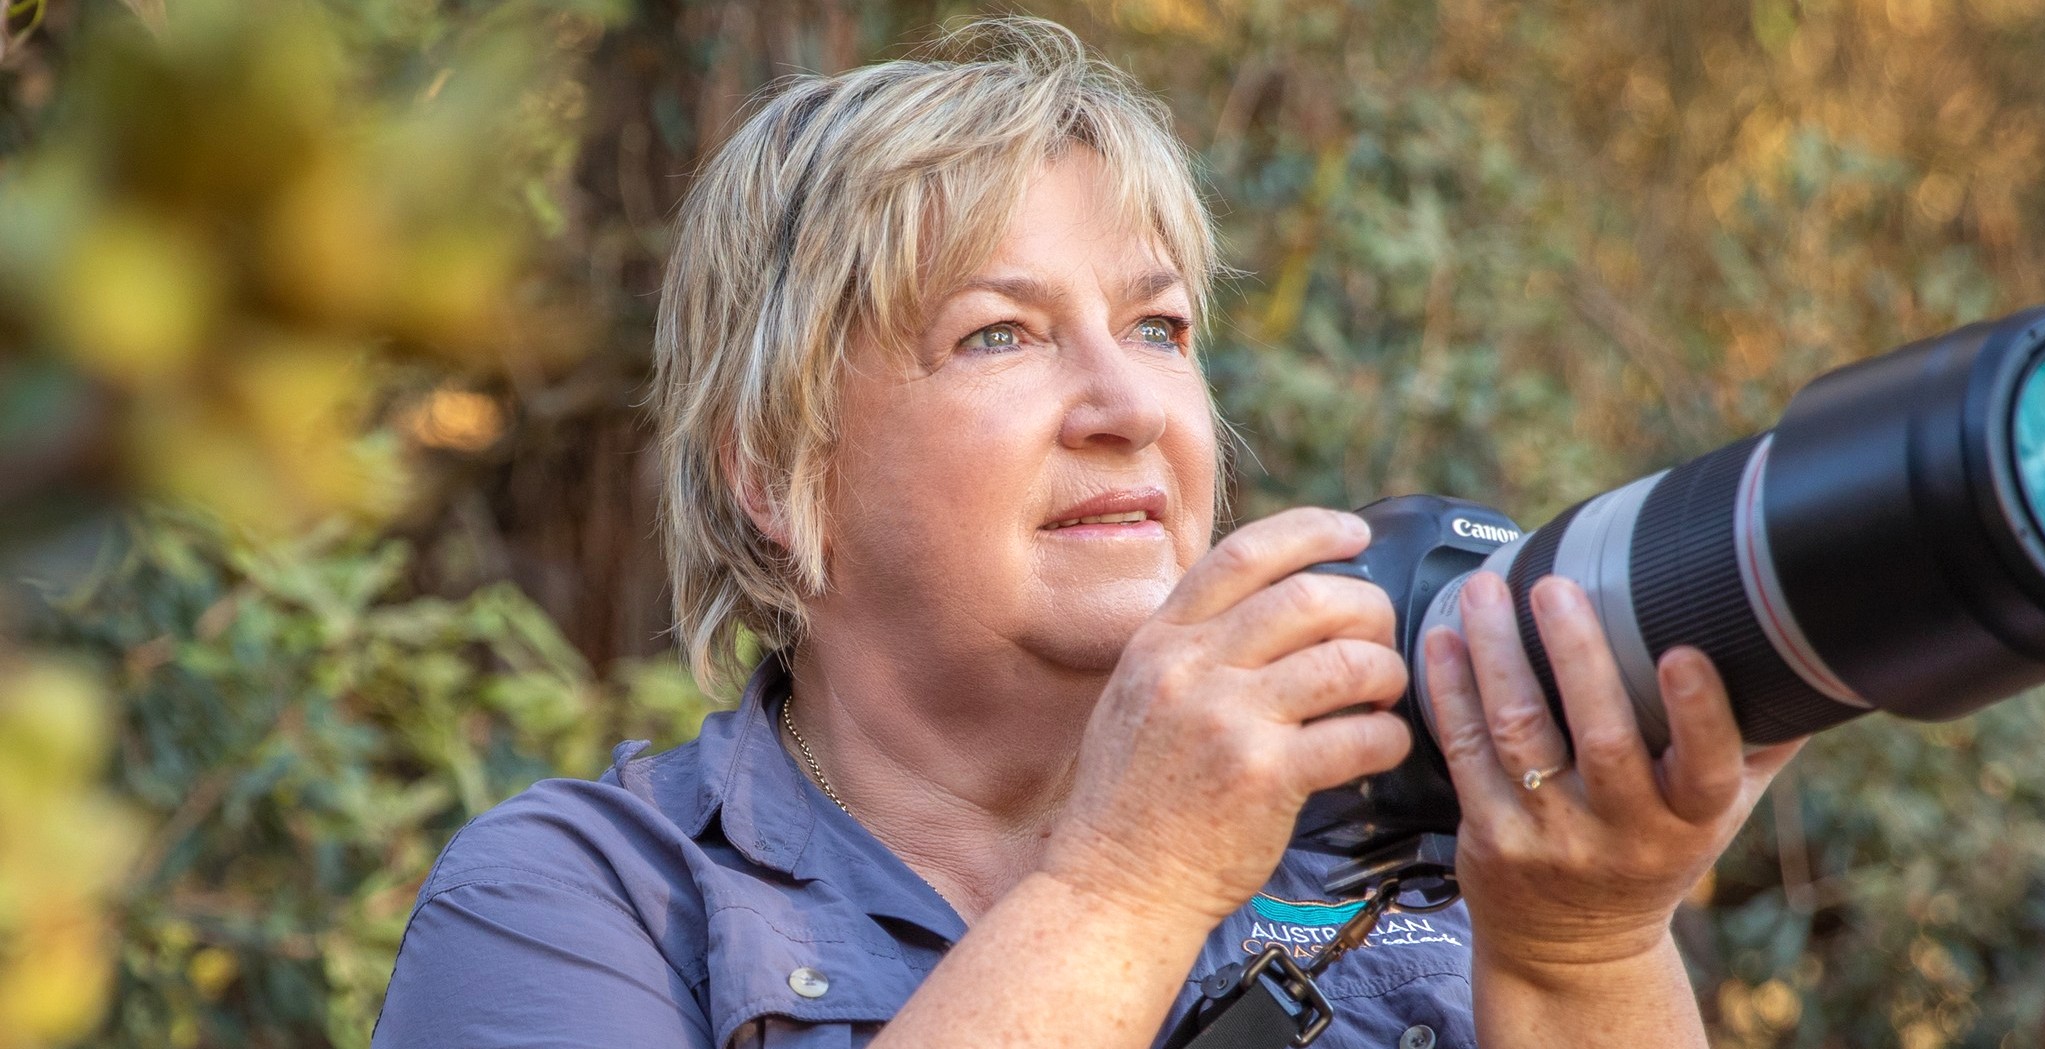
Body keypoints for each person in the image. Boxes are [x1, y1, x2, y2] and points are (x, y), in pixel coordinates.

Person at [373, 18, 1803, 1049]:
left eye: (1161, 326)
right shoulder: (576, 903)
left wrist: (1584, 947)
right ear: (774, 467)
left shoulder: (1407, 867)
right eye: (1000, 333)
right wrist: (1127, 885)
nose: (1129, 403)